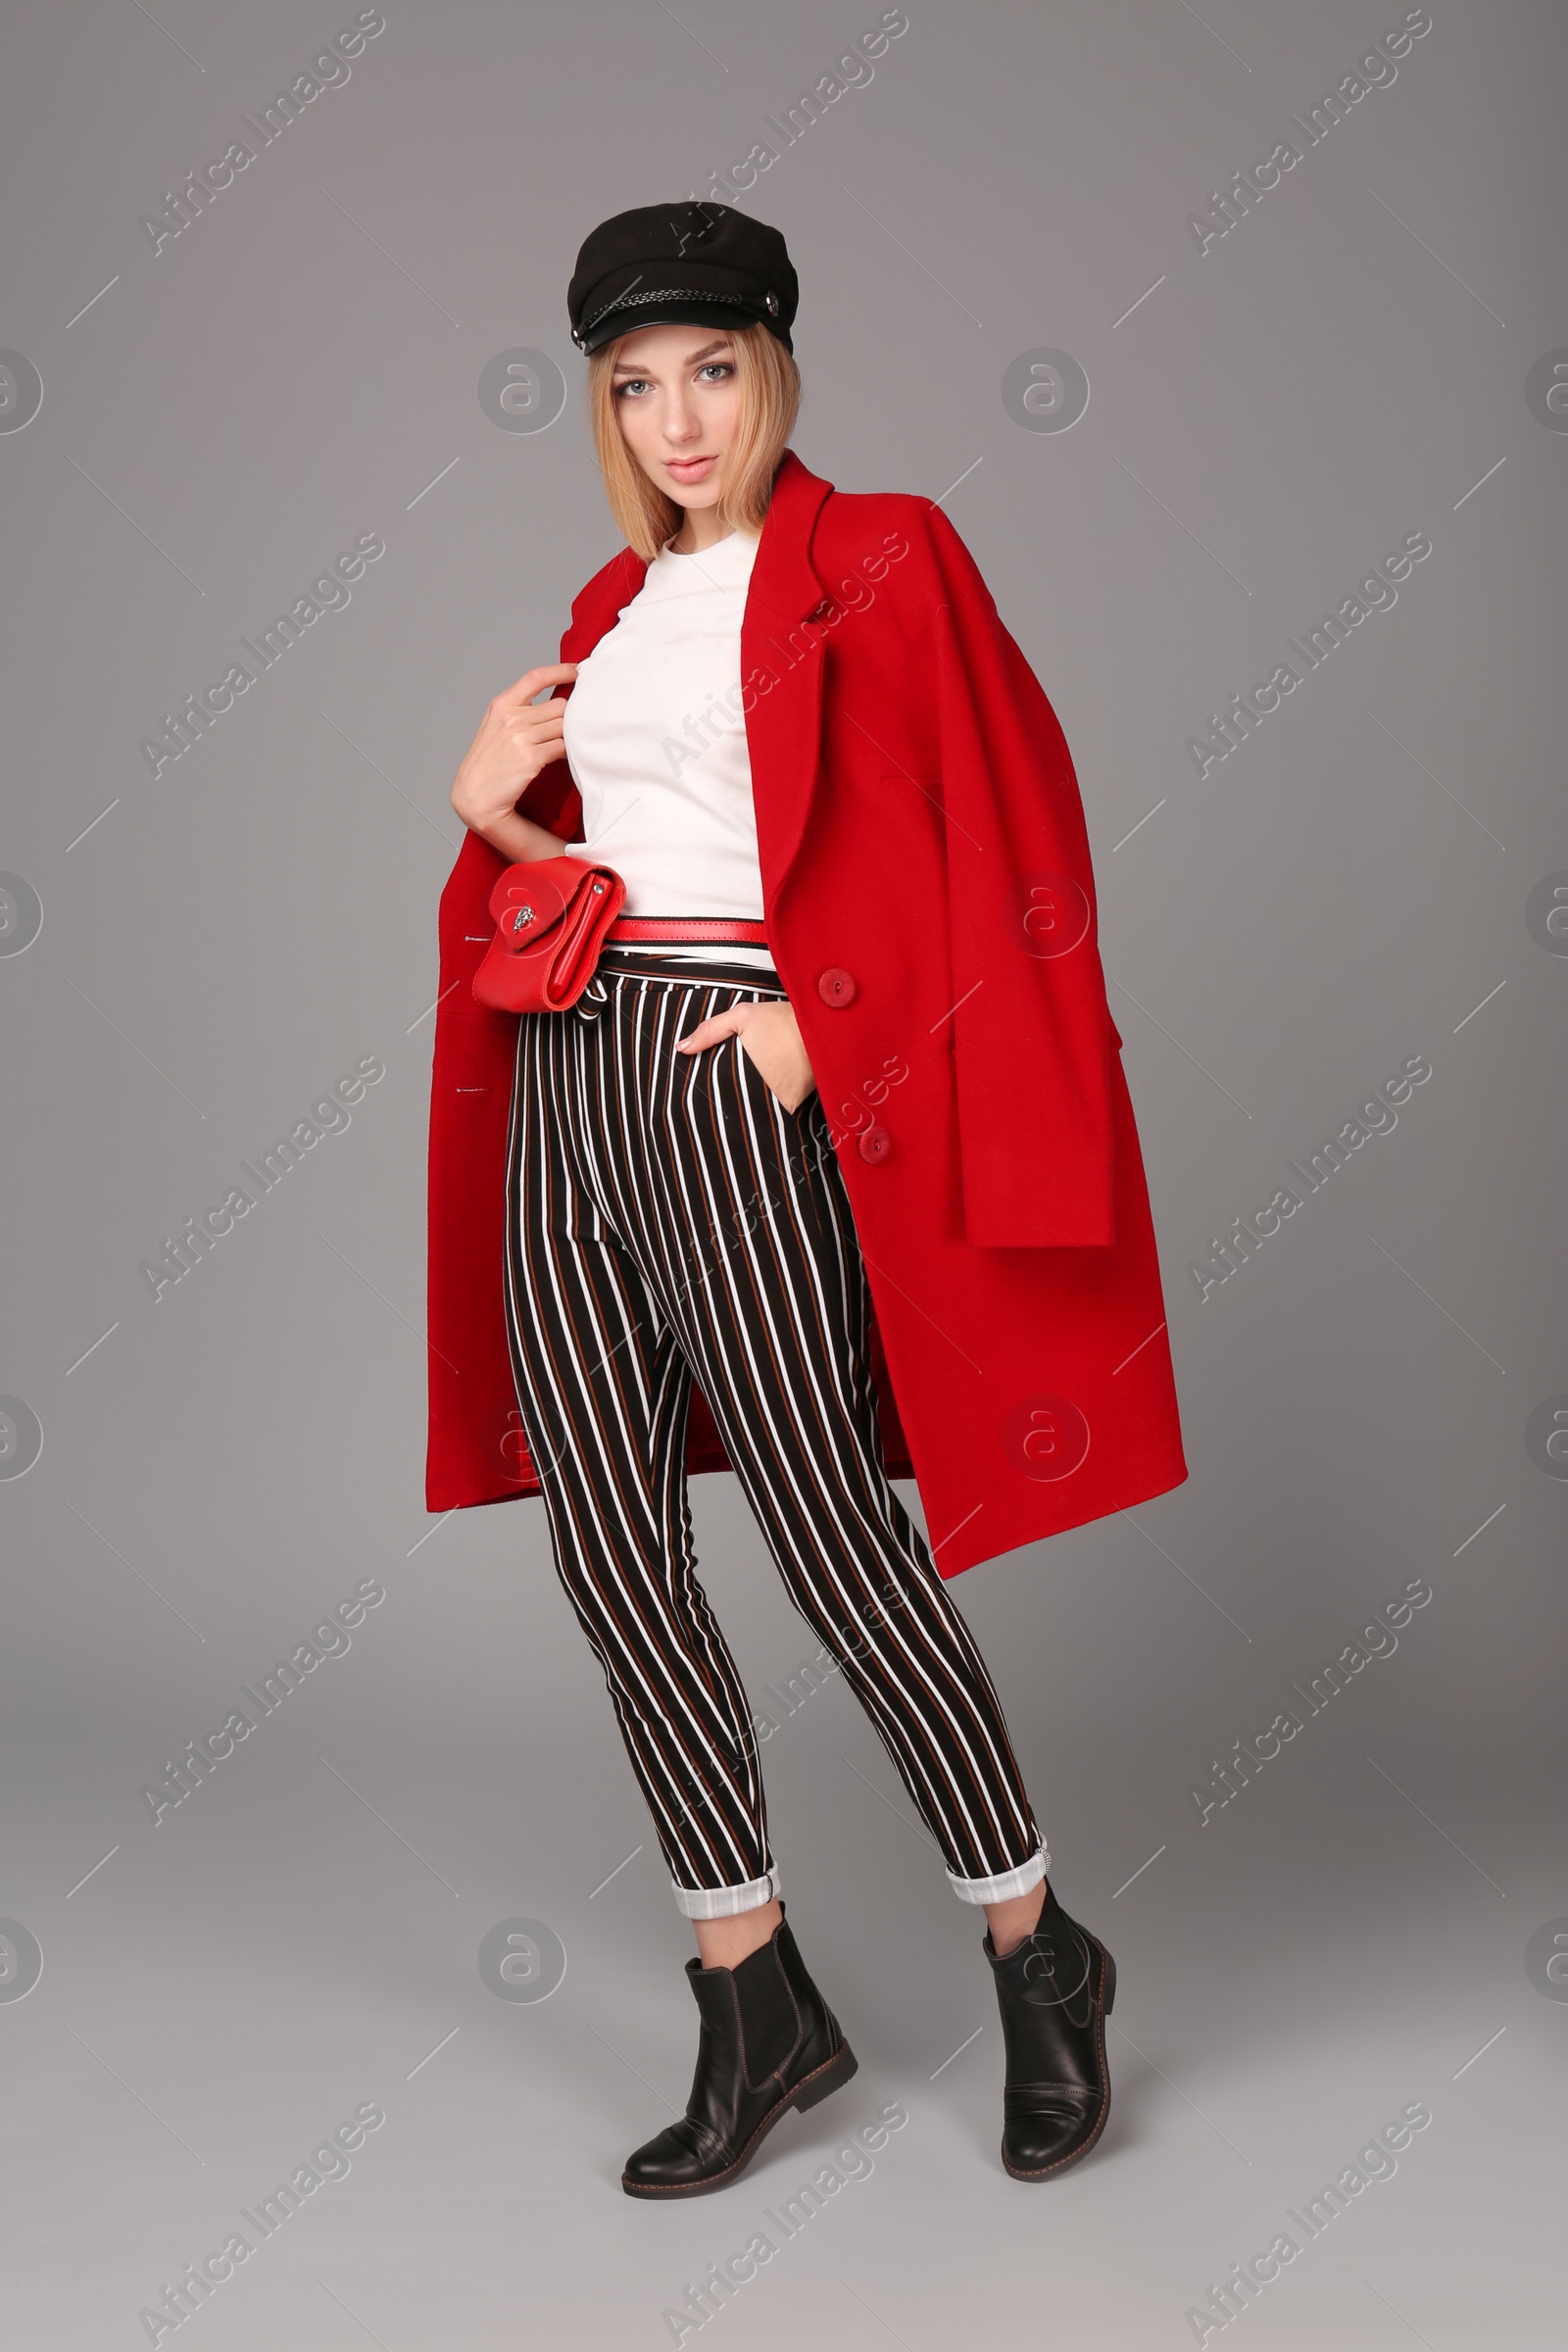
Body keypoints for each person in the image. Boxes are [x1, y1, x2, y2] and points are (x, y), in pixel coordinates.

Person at [426, 203, 1187, 2195]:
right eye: (631, 385)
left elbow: (1005, 835)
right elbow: (620, 865)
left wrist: (820, 1048)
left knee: (831, 1543)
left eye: (709, 371)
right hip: (571, 1077)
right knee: (607, 1548)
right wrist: (498, 817)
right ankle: (751, 1995)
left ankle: (1039, 1956)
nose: (676, 422)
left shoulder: (884, 554)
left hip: (745, 1090)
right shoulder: (605, 603)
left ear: (774, 365)